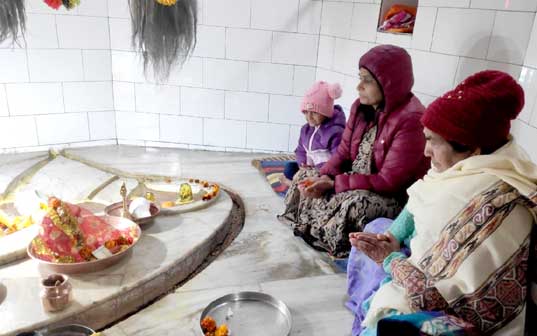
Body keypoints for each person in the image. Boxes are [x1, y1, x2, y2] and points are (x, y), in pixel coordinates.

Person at [347, 70, 537, 336]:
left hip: (447, 316)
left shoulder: (492, 202)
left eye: (432, 142)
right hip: (415, 266)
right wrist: (389, 237)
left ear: (473, 149)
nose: (425, 151)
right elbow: (421, 196)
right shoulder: (471, 165)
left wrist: (389, 259)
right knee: (375, 228)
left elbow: (437, 299)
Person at [278, 44, 429, 257]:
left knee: (353, 203)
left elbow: (389, 182)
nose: (359, 87)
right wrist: (322, 176)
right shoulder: (361, 107)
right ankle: (307, 227)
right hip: (357, 179)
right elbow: (343, 153)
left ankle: (333, 242)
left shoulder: (410, 120)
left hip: (390, 195)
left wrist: (336, 183)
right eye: (360, 78)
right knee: (304, 176)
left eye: (366, 80)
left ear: (389, 83)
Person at [280, 81, 346, 187]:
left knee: (314, 181)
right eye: (306, 112)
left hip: (325, 172)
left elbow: (338, 158)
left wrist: (320, 172)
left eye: (314, 112)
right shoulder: (306, 130)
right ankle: (297, 184)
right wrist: (302, 164)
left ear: (326, 112)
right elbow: (300, 150)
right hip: (309, 167)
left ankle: (294, 185)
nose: (309, 117)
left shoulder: (335, 132)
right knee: (289, 167)